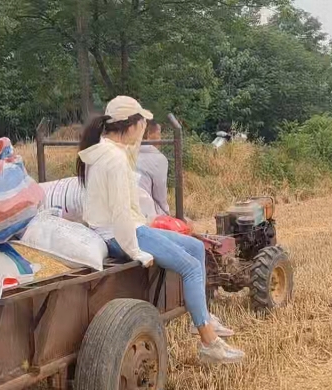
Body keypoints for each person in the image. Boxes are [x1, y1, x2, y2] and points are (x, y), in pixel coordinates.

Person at [77, 95, 244, 364]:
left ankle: (201, 317)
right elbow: (120, 214)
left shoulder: (103, 150)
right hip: (120, 235)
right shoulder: (114, 159)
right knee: (190, 266)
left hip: (120, 229)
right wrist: (136, 251)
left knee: (193, 246)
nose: (144, 129)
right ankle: (209, 343)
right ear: (130, 125)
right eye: (141, 123)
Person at [137, 121, 171, 217]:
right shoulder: (158, 158)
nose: (161, 139)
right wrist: (168, 216)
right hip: (144, 213)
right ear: (148, 134)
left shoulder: (123, 152)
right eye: (159, 134)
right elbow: (160, 198)